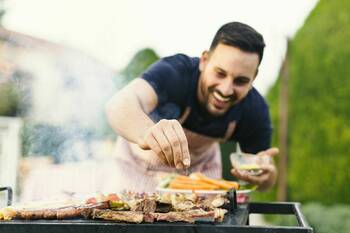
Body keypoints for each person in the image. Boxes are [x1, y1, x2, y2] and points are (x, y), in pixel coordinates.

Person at [105, 21, 279, 193]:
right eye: (220, 73)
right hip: (137, 170)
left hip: (200, 177)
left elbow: (266, 178)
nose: (226, 90)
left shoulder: (254, 109)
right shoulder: (176, 72)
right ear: (204, 61)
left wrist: (265, 177)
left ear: (253, 77)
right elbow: (118, 105)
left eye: (240, 81)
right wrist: (147, 133)